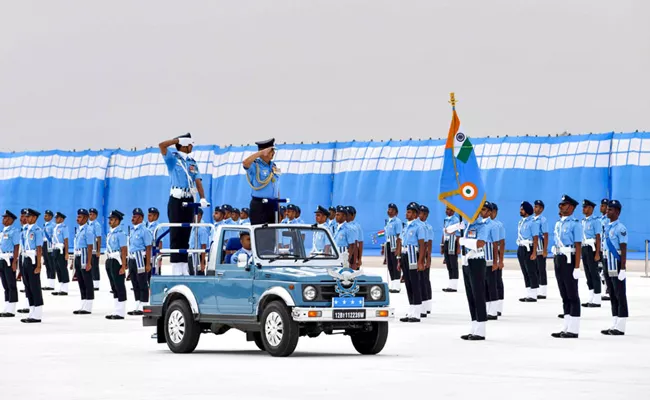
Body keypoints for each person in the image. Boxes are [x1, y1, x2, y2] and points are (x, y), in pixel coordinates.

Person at [158, 133, 209, 276]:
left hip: (189, 200)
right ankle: (176, 267)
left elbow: (198, 180)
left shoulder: (192, 162)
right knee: (176, 233)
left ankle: (183, 266)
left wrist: (203, 198)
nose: (192, 146)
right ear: (185, 145)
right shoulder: (173, 159)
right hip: (176, 199)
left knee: (186, 233)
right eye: (190, 143)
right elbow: (161, 145)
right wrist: (177, 140)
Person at [551, 195, 583, 339]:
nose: (561, 207)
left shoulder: (575, 224)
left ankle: (574, 329)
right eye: (560, 205)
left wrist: (577, 267)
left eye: (564, 205)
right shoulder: (558, 223)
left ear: (571, 207)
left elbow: (578, 246)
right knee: (564, 294)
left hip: (570, 260)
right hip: (558, 258)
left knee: (572, 294)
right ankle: (566, 325)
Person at [459, 211, 490, 340]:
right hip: (467, 262)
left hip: (477, 261)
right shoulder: (467, 226)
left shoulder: (482, 226)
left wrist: (464, 242)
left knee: (478, 294)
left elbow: (480, 243)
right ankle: (474, 326)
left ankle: (481, 329)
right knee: (470, 295)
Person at [601, 200, 628, 335]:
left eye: (610, 210)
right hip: (607, 263)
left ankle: (621, 325)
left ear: (617, 212)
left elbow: (623, 249)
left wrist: (622, 268)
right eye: (607, 209)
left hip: (616, 264)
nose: (607, 211)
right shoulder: (607, 226)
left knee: (620, 294)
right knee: (612, 293)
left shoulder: (620, 228)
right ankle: (614, 322)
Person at [398, 202, 426, 323]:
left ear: (415, 214)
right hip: (405, 255)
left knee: (415, 283)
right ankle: (411, 310)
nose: (406, 214)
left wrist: (421, 261)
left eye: (409, 212)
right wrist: (399, 260)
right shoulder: (406, 226)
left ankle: (417, 312)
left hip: (414, 255)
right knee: (408, 283)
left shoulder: (419, 226)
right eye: (406, 211)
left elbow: (422, 245)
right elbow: (402, 243)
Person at [243, 138, 281, 224]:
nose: (274, 153)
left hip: (273, 205)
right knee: (260, 235)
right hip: (260, 206)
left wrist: (278, 208)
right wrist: (260, 153)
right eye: (271, 151)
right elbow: (245, 163)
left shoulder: (273, 166)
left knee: (272, 235)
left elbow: (276, 188)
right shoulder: (255, 165)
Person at [20, 209, 45, 323]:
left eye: (29, 216)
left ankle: (38, 313)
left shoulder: (37, 230)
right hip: (25, 258)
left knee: (35, 286)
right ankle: (31, 311)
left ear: (34, 218)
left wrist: (38, 265)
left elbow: (39, 248)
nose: (27, 218)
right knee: (28, 285)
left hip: (33, 259)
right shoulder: (25, 230)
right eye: (26, 216)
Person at [127, 208, 153, 315]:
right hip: (132, 258)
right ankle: (137, 303)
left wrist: (148, 263)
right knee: (134, 282)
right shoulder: (132, 230)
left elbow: (148, 247)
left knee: (142, 282)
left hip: (140, 259)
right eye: (133, 216)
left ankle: (144, 304)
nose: (133, 218)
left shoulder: (145, 231)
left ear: (141, 218)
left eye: (135, 216)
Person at [105, 210, 128, 320]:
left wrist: (123, 266)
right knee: (113, 286)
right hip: (110, 259)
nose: (110, 221)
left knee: (119, 285)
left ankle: (121, 311)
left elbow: (124, 250)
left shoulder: (121, 234)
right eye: (110, 219)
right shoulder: (110, 233)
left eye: (113, 219)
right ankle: (116, 309)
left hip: (117, 260)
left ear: (118, 221)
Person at [73, 209, 95, 315]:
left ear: (86, 218)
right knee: (80, 281)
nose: (78, 219)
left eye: (80, 217)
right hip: (77, 256)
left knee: (87, 281)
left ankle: (88, 305)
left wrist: (89, 262)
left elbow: (90, 247)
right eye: (77, 217)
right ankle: (83, 303)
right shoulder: (79, 229)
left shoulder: (88, 230)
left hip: (84, 257)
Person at [581, 199, 603, 308]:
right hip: (584, 248)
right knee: (587, 273)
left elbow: (598, 237)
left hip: (592, 248)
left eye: (585, 207)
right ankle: (591, 296)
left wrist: (597, 253)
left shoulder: (595, 221)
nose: (583, 209)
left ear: (591, 208)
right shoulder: (583, 221)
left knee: (594, 273)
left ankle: (597, 298)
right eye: (583, 207)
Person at [516, 201, 540, 302]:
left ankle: (533, 294)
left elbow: (535, 238)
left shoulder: (532, 222)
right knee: (525, 271)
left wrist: (534, 252)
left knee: (531, 270)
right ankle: (528, 292)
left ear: (527, 211)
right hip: (521, 247)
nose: (520, 211)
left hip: (529, 248)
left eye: (522, 209)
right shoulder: (521, 222)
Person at [480, 202, 500, 320]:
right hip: (480, 259)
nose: (483, 212)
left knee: (491, 285)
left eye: (485, 210)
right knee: (484, 285)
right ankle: (487, 308)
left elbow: (495, 243)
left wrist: (495, 261)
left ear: (490, 212)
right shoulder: (478, 224)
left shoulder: (493, 225)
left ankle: (493, 311)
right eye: (481, 209)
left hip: (489, 259)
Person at [0, 210, 20, 317]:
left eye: (6, 218)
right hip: (2, 259)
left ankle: (12, 307)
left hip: (10, 259)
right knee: (5, 284)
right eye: (3, 218)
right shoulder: (3, 231)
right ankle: (7, 304)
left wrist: (15, 262)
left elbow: (17, 246)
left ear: (11, 220)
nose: (4, 219)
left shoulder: (14, 231)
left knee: (11, 283)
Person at [490, 204, 506, 316]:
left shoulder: (498, 225)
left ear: (495, 212)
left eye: (492, 211)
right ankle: (490, 306)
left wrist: (500, 260)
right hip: (487, 256)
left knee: (497, 281)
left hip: (496, 255)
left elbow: (502, 243)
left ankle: (498, 307)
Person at [418, 205, 434, 316]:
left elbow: (429, 244)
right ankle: (423, 305)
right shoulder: (416, 225)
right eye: (419, 213)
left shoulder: (428, 227)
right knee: (419, 280)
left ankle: (426, 305)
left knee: (425, 280)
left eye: (422, 213)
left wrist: (428, 259)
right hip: (417, 254)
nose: (420, 215)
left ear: (426, 215)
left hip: (424, 255)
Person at [383, 203, 402, 293]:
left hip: (394, 244)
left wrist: (398, 249)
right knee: (390, 264)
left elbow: (399, 236)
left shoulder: (397, 221)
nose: (389, 211)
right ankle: (393, 283)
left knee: (395, 264)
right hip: (388, 243)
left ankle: (397, 285)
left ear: (396, 212)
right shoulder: (387, 221)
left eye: (391, 209)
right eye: (388, 209)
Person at [442, 207, 461, 292]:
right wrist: (442, 245)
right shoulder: (445, 219)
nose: (447, 211)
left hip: (453, 242)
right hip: (446, 242)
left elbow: (457, 234)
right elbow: (444, 233)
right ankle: (450, 284)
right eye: (446, 209)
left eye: (449, 209)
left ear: (454, 211)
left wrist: (458, 247)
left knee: (453, 264)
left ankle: (454, 285)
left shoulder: (456, 220)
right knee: (448, 264)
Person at [51, 212, 70, 296]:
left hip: (61, 249)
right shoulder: (55, 227)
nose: (56, 219)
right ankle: (60, 287)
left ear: (62, 219)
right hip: (55, 249)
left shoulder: (64, 227)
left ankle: (65, 288)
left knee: (63, 268)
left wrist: (66, 252)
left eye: (57, 218)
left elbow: (66, 240)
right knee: (57, 268)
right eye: (55, 218)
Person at [533, 200, 549, 299]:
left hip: (540, 244)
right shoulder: (532, 219)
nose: (536, 208)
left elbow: (546, 235)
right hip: (534, 246)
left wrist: (544, 249)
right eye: (535, 206)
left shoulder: (543, 220)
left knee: (541, 268)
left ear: (542, 209)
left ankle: (543, 291)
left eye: (538, 207)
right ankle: (537, 288)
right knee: (535, 268)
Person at [188, 208, 209, 276]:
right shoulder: (194, 226)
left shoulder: (202, 229)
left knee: (199, 275)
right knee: (192, 274)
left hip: (198, 256)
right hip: (192, 254)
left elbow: (203, 246)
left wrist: (202, 262)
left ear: (199, 216)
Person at [599, 198, 611, 301]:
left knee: (606, 271)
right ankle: (605, 289)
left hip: (606, 249)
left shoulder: (608, 220)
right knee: (600, 271)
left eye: (603, 206)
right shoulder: (600, 219)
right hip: (600, 249)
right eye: (601, 205)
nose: (601, 207)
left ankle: (608, 291)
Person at [88, 208, 102, 291]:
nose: (91, 216)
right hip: (88, 249)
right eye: (90, 214)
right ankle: (91, 282)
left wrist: (98, 250)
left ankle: (96, 284)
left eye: (93, 214)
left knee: (95, 267)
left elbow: (98, 238)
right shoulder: (87, 224)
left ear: (96, 216)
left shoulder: (97, 225)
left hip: (94, 249)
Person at [145, 207, 162, 280]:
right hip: (146, 255)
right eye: (148, 215)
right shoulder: (145, 226)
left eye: (150, 215)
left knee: (153, 276)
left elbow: (160, 242)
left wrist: (159, 256)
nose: (148, 217)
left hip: (153, 255)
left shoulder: (158, 227)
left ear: (156, 216)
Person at [42, 210, 56, 291]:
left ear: (50, 217)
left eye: (46, 216)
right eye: (45, 215)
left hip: (50, 246)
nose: (45, 217)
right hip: (44, 245)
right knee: (47, 263)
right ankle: (48, 282)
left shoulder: (53, 225)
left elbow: (54, 237)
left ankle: (52, 284)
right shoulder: (44, 225)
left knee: (51, 264)